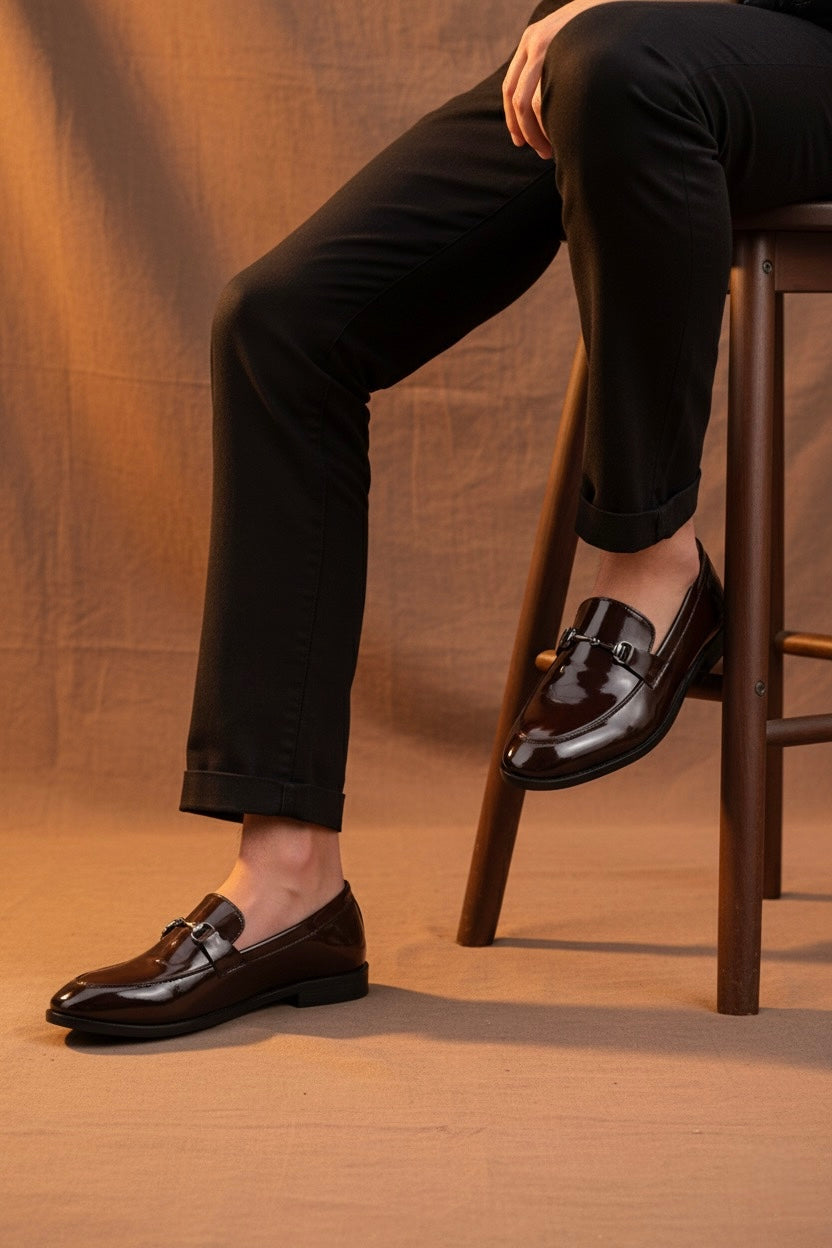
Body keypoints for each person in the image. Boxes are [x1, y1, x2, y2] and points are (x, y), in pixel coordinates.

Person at [46, 0, 832, 1038]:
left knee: (620, 66)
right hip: (629, 52)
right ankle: (291, 880)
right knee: (281, 324)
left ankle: (653, 564)